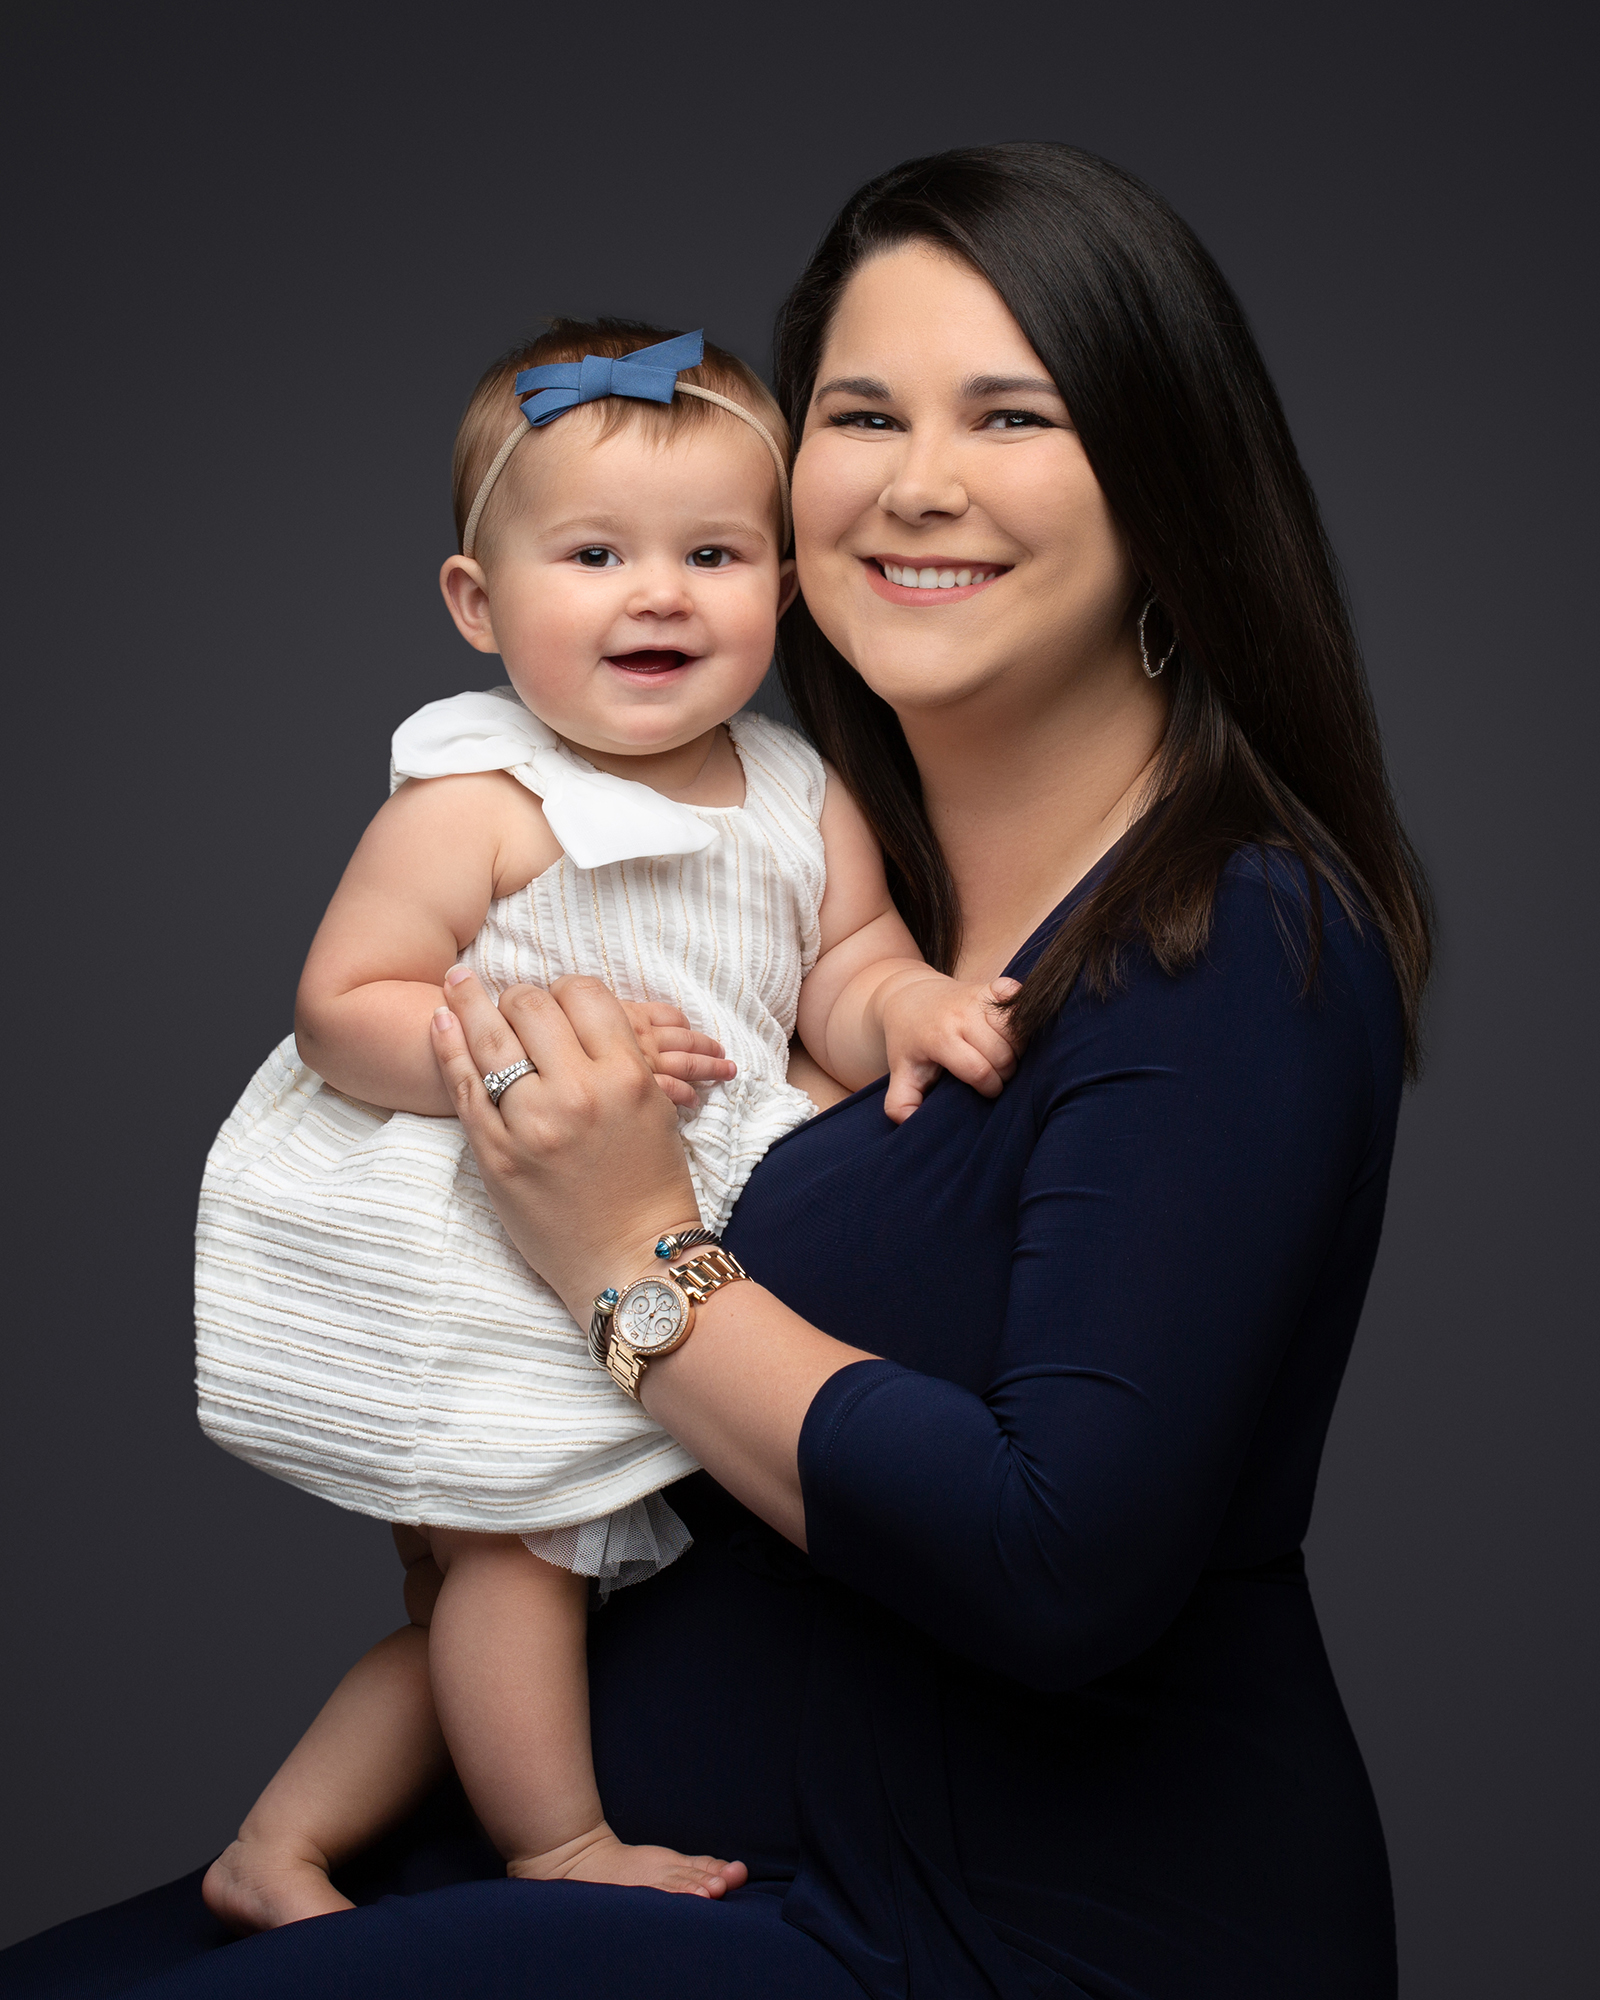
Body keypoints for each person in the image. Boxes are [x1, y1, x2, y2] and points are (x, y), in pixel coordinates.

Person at [1, 141, 1430, 2000]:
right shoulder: (823, 884)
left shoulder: (1229, 938)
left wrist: (628, 1262)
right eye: (861, 412)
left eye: (1014, 414)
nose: (921, 483)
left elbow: (1057, 1560)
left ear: (1165, 483)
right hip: (645, 1863)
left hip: (994, 1932)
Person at [191, 320, 1018, 1930]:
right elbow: (342, 1005)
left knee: (484, 1601)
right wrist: (517, 1054)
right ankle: (556, 1845)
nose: (659, 592)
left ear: (781, 591)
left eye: (712, 552)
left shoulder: (797, 794)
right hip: (488, 1229)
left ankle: (276, 1847)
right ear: (479, 606)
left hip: (648, 1231)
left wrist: (906, 1004)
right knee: (522, 1555)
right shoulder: (476, 805)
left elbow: (837, 970)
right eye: (594, 553)